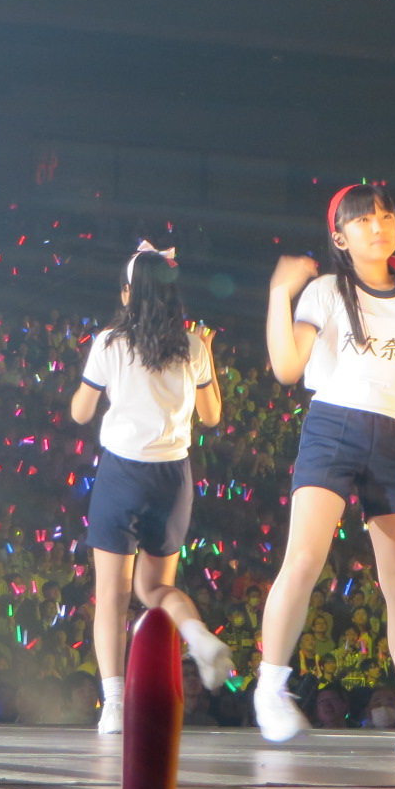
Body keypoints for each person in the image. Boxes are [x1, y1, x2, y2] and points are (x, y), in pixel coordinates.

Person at [253, 183, 395, 751]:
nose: (378, 227)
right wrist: (280, 293)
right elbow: (286, 367)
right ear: (340, 238)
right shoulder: (326, 290)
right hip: (332, 426)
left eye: (385, 216)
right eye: (363, 220)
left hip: (393, 436)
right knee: (304, 559)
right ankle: (270, 689)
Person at [69, 242, 233, 735]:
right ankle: (198, 635)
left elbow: (80, 412)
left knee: (112, 595)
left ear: (127, 293)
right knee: (155, 588)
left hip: (122, 473)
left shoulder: (109, 343)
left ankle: (114, 705)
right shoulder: (192, 346)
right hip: (172, 477)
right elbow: (212, 415)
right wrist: (208, 354)